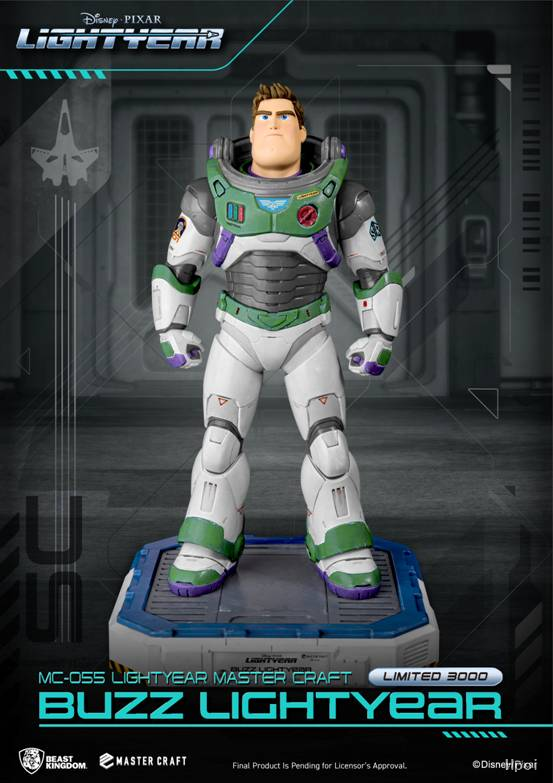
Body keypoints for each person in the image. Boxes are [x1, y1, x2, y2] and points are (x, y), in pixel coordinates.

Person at [151, 82, 403, 600]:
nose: (272, 123)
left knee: (330, 448)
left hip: (307, 334)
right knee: (218, 444)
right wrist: (171, 327)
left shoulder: (345, 196)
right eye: (263, 115)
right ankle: (211, 537)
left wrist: (379, 333)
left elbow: (373, 273)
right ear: (250, 127)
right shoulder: (208, 194)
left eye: (284, 116)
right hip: (237, 335)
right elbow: (180, 266)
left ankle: (338, 538)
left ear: (303, 130)